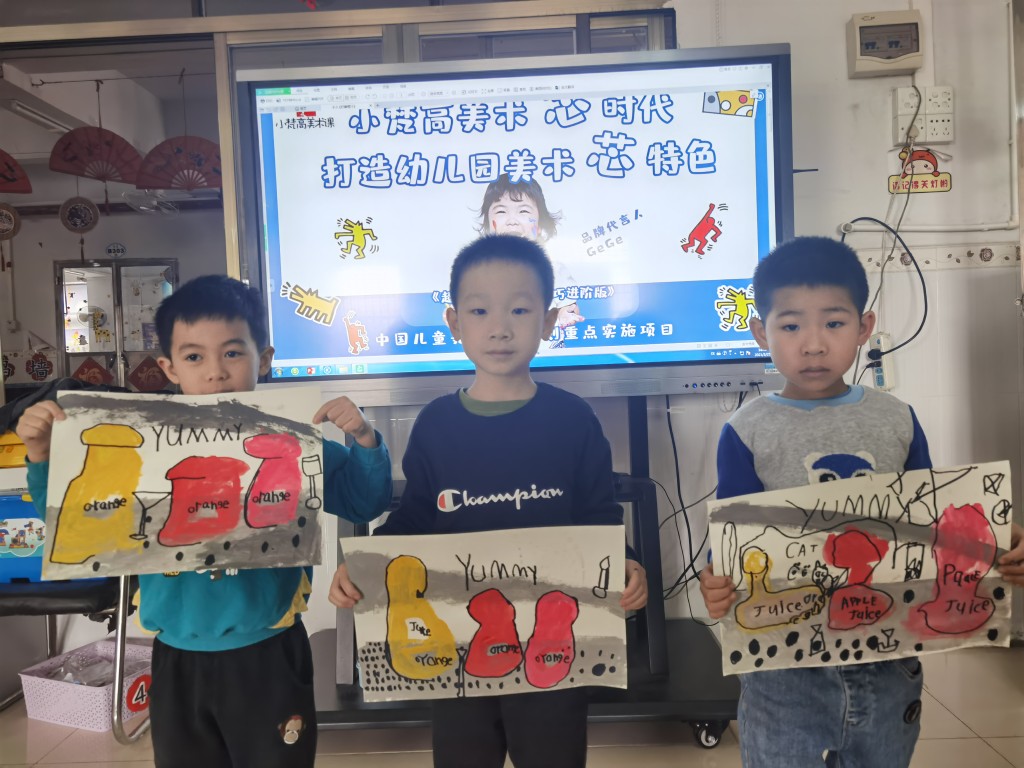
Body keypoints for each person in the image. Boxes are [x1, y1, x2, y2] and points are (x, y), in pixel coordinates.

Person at [15, 274, 393, 768]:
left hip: (269, 652)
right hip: (175, 655)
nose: (215, 373)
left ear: (264, 358)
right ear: (169, 367)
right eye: (194, 357)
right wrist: (42, 455)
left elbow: (364, 503)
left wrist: (364, 438)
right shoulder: (144, 447)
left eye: (233, 353)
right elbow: (78, 523)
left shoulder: (297, 439)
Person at [342, 234, 647, 768]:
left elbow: (598, 515)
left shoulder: (574, 419)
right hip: (458, 645)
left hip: (554, 648)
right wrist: (365, 565)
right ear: (454, 322)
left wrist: (625, 562)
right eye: (480, 310)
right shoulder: (436, 424)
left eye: (520, 310)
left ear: (548, 322)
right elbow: (416, 517)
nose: (500, 328)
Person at [699, 236, 933, 768]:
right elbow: (733, 534)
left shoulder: (897, 418)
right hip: (784, 664)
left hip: (885, 651)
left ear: (864, 327)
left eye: (833, 323)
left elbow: (930, 518)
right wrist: (718, 575)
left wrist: (989, 541)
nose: (813, 345)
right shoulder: (748, 429)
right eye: (790, 326)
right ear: (761, 332)